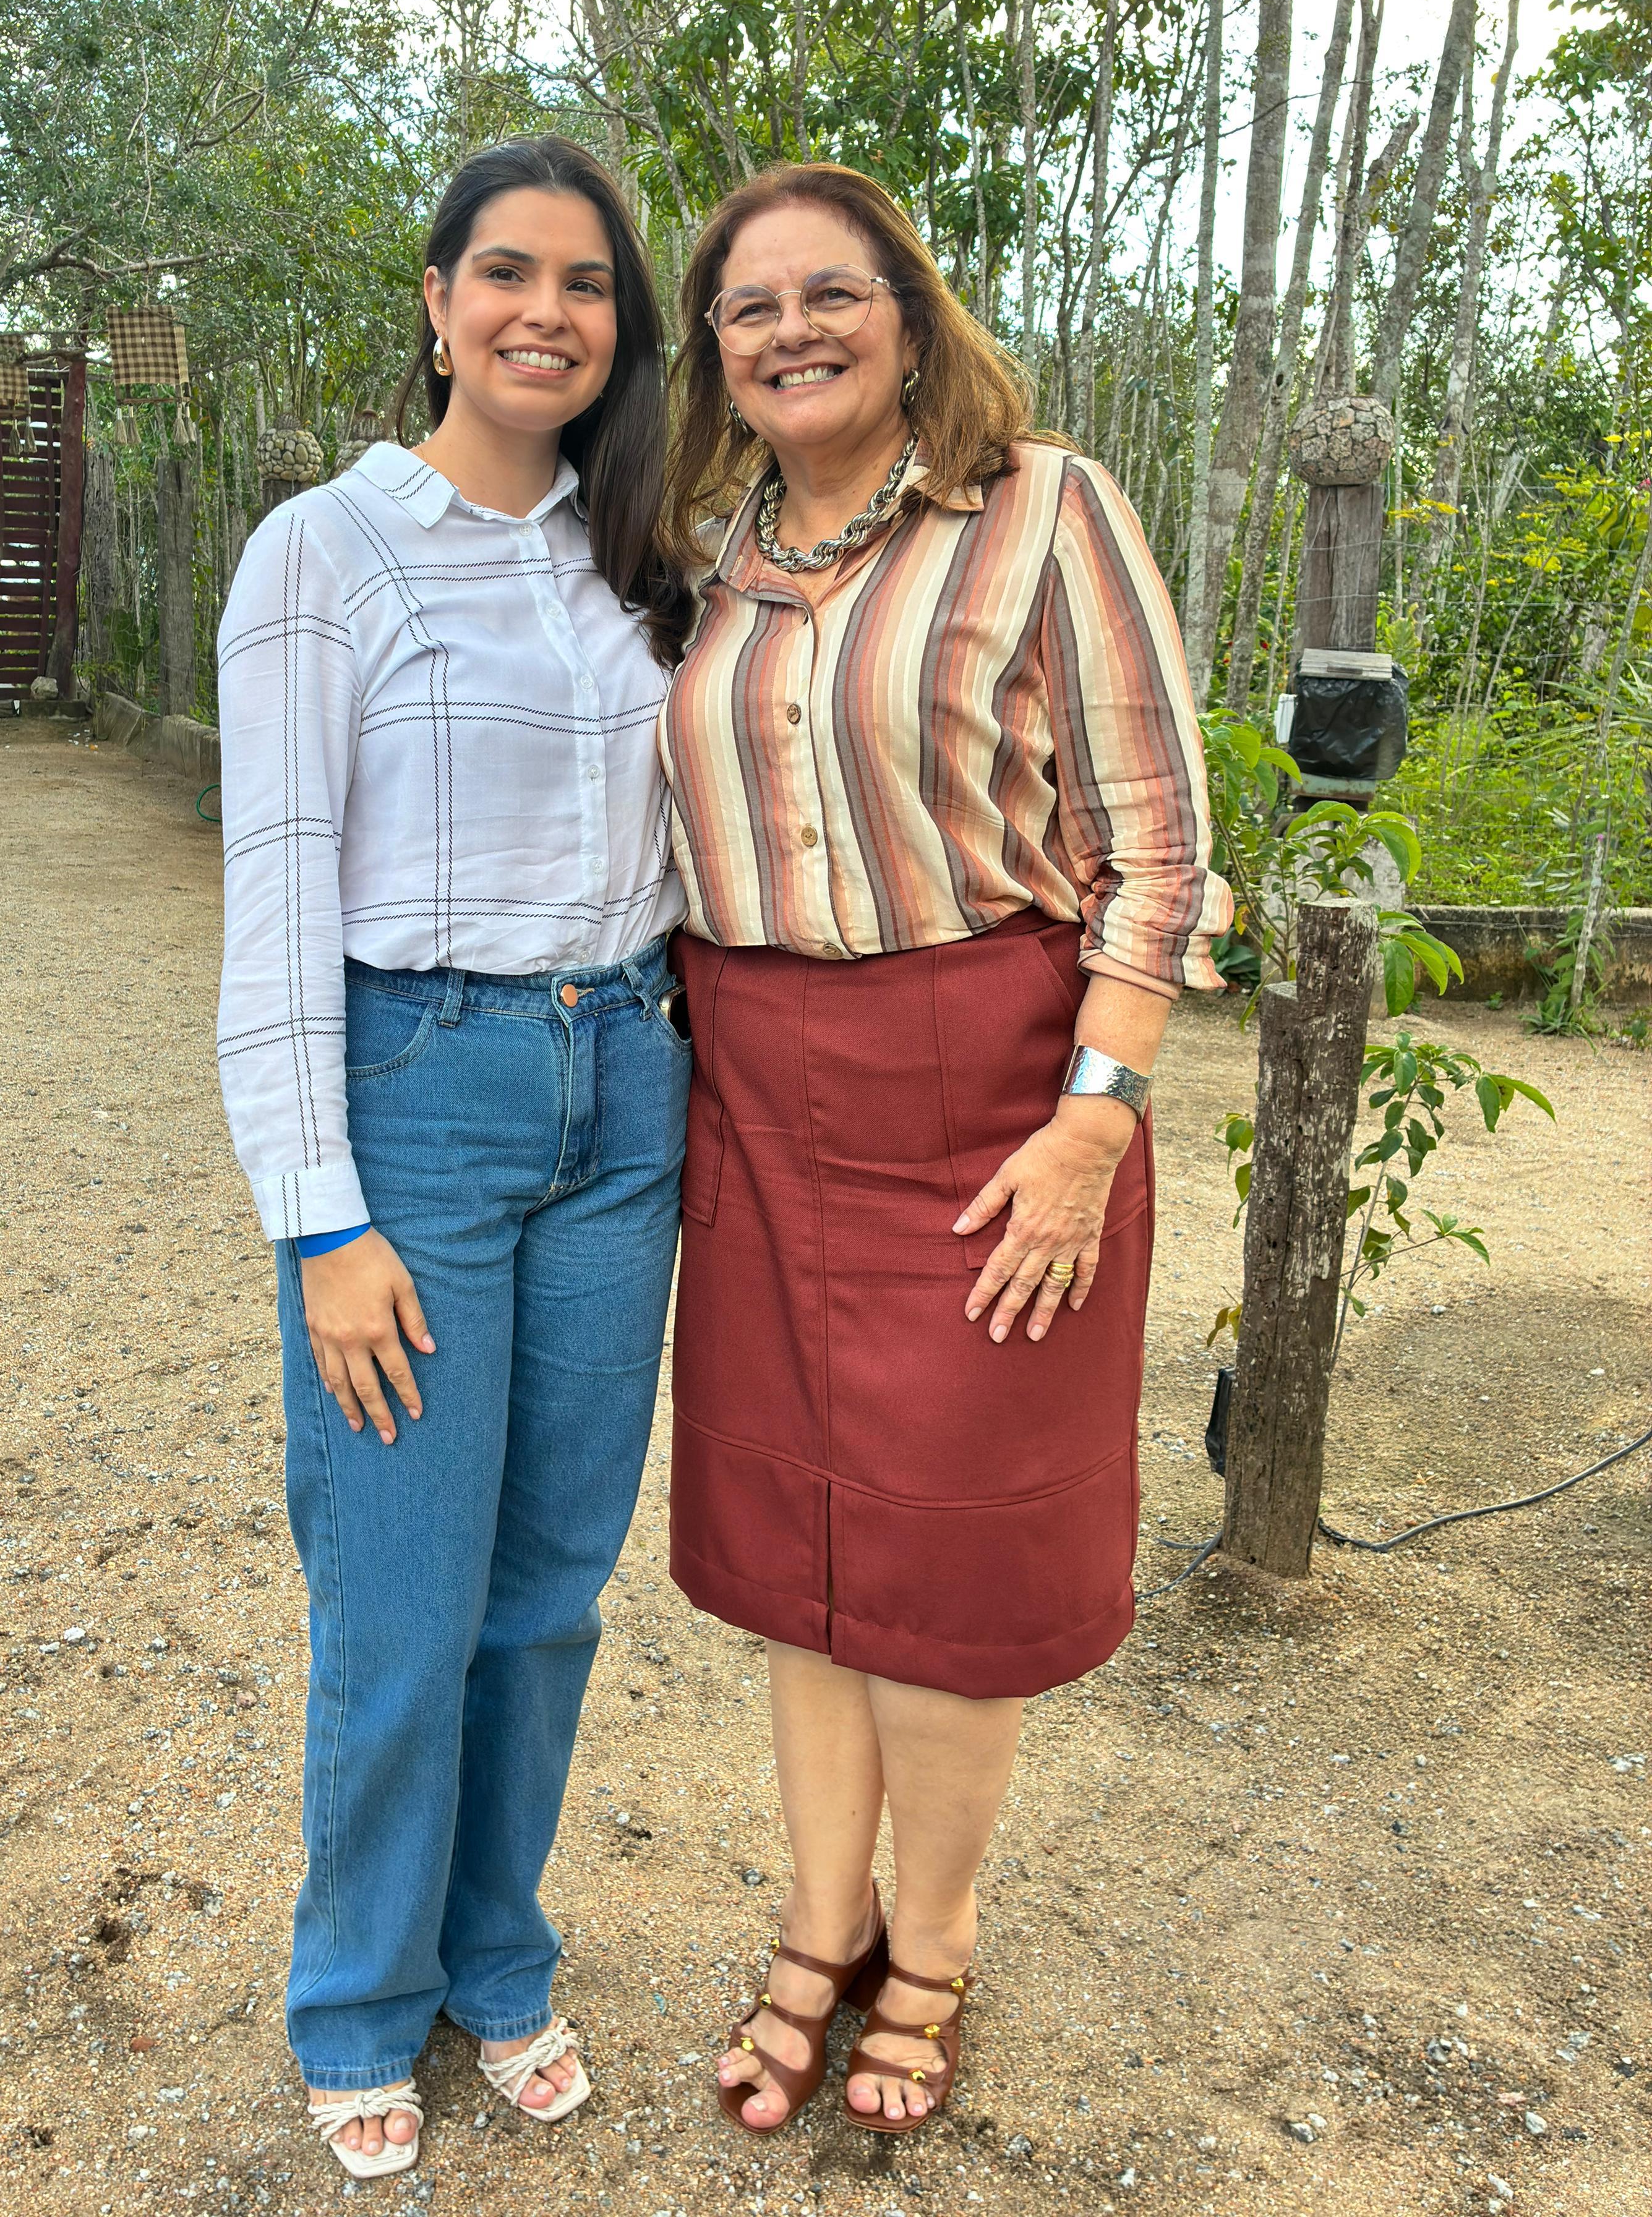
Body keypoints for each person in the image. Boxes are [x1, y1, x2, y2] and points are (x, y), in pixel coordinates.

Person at [656, 162, 1233, 2138]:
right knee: (802, 1554)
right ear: (715, 352)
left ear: (910, 315)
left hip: (992, 1098)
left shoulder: (1044, 506)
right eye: (750, 307)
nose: (791, 331)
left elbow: (1160, 848)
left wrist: (1093, 1123)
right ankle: (819, 1928)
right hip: (758, 1094)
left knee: (950, 1568)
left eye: (833, 292)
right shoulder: (703, 555)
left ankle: (938, 1940)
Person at [215, 135, 692, 2182]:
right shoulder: (324, 550)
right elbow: (275, 896)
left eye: (587, 285)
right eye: (508, 272)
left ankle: (495, 1959)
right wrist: (319, 1217)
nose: (545, 314)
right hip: (423, 1090)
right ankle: (355, 1995)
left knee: (550, 1595)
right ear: (436, 301)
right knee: (402, 1596)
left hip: (630, 1093)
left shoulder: (641, 557)